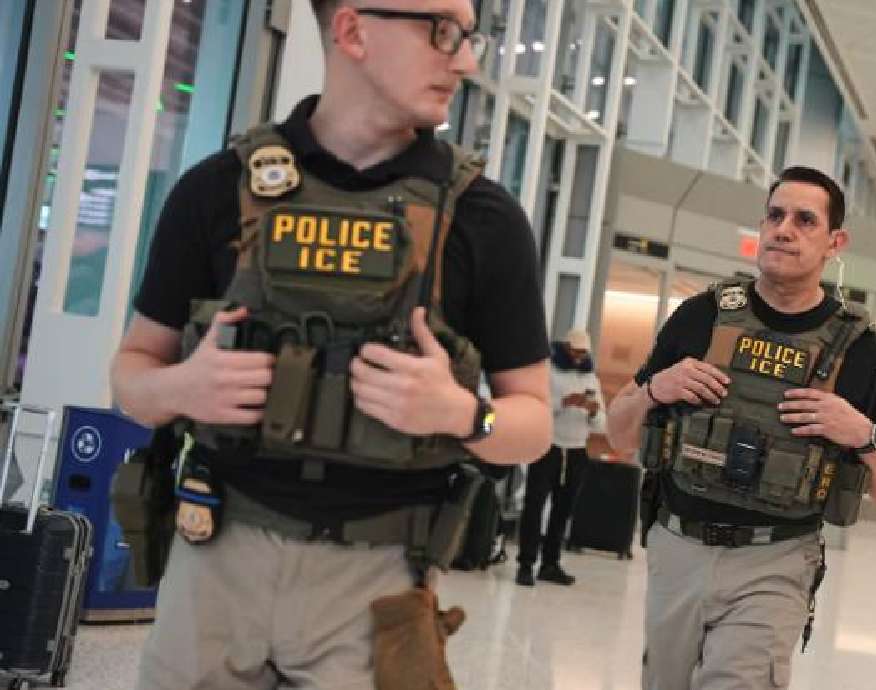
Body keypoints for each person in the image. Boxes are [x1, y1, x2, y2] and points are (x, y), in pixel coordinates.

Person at [109, 1, 552, 688]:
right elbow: (132, 376)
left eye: (469, 38)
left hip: (380, 585)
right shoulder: (217, 190)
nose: (465, 60)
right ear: (353, 31)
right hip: (216, 560)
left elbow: (533, 424)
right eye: (443, 32)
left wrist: (466, 415)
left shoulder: (483, 220)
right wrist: (178, 390)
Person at [606, 166, 876, 689]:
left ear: (834, 243)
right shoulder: (701, 316)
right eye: (776, 216)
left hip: (775, 560)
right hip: (678, 549)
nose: (784, 229)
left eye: (805, 220)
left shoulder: (861, 350)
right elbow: (618, 434)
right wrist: (654, 389)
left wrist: (863, 434)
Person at [515, 328, 607, 587]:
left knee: (562, 510)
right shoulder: (548, 373)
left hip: (577, 450)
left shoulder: (591, 379)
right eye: (574, 352)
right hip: (548, 447)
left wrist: (592, 411)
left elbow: (601, 425)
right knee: (534, 506)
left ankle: (550, 564)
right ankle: (525, 563)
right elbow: (538, 409)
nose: (578, 357)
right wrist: (564, 403)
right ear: (565, 348)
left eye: (583, 353)